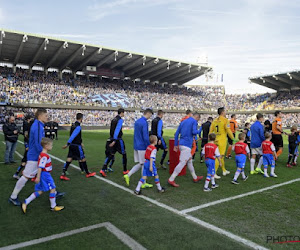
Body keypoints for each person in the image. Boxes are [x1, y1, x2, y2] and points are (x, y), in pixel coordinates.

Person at [9, 109, 53, 206]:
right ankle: (13, 197)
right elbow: (38, 144)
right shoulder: (37, 126)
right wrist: (43, 154)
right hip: (35, 156)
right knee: (25, 177)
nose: (47, 117)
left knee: (45, 174)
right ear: (40, 116)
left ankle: (53, 191)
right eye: (46, 115)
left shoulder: (39, 125)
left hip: (36, 155)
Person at [21, 138, 64, 213]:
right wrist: (38, 177)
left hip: (43, 175)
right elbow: (40, 167)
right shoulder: (44, 156)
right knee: (53, 188)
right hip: (45, 175)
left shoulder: (42, 154)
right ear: (46, 146)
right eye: (51, 145)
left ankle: (26, 202)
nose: (52, 146)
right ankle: (53, 206)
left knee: (41, 191)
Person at [168, 113, 203, 187]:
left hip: (181, 144)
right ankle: (171, 179)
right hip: (187, 145)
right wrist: (200, 129)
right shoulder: (194, 121)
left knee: (189, 162)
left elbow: (177, 133)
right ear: (197, 117)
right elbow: (194, 132)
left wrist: (175, 145)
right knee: (182, 163)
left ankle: (195, 177)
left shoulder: (183, 121)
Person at [60, 113, 96, 180]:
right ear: (81, 118)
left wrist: (80, 142)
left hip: (72, 145)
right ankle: (88, 173)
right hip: (76, 145)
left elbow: (73, 135)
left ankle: (63, 173)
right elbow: (73, 135)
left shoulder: (73, 125)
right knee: (83, 158)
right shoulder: (78, 126)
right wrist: (67, 144)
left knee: (69, 158)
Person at [123, 109, 153, 188]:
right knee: (144, 164)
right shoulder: (144, 122)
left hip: (136, 145)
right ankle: (142, 182)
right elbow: (145, 136)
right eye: (150, 115)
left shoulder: (137, 121)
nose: (150, 117)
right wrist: (149, 145)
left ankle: (128, 175)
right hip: (142, 146)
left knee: (141, 163)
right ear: (148, 113)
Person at [100, 108, 128, 177]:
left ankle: (103, 169)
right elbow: (117, 130)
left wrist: (112, 139)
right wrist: (115, 140)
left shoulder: (113, 119)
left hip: (111, 138)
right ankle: (125, 170)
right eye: (123, 113)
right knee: (124, 154)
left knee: (111, 154)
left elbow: (112, 130)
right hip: (117, 139)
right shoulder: (120, 120)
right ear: (121, 113)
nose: (124, 114)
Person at [209, 107, 234, 179]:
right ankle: (213, 173)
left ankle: (224, 170)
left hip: (215, 140)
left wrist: (211, 139)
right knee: (219, 156)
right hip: (222, 141)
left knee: (220, 156)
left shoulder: (214, 120)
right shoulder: (225, 120)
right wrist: (233, 138)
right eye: (225, 111)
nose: (226, 112)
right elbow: (228, 130)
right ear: (222, 112)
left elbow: (210, 131)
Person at [13, 114, 34, 179]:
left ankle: (19, 173)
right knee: (28, 161)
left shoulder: (29, 127)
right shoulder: (28, 127)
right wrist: (27, 146)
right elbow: (26, 137)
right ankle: (20, 173)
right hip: (30, 147)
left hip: (29, 146)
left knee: (26, 161)